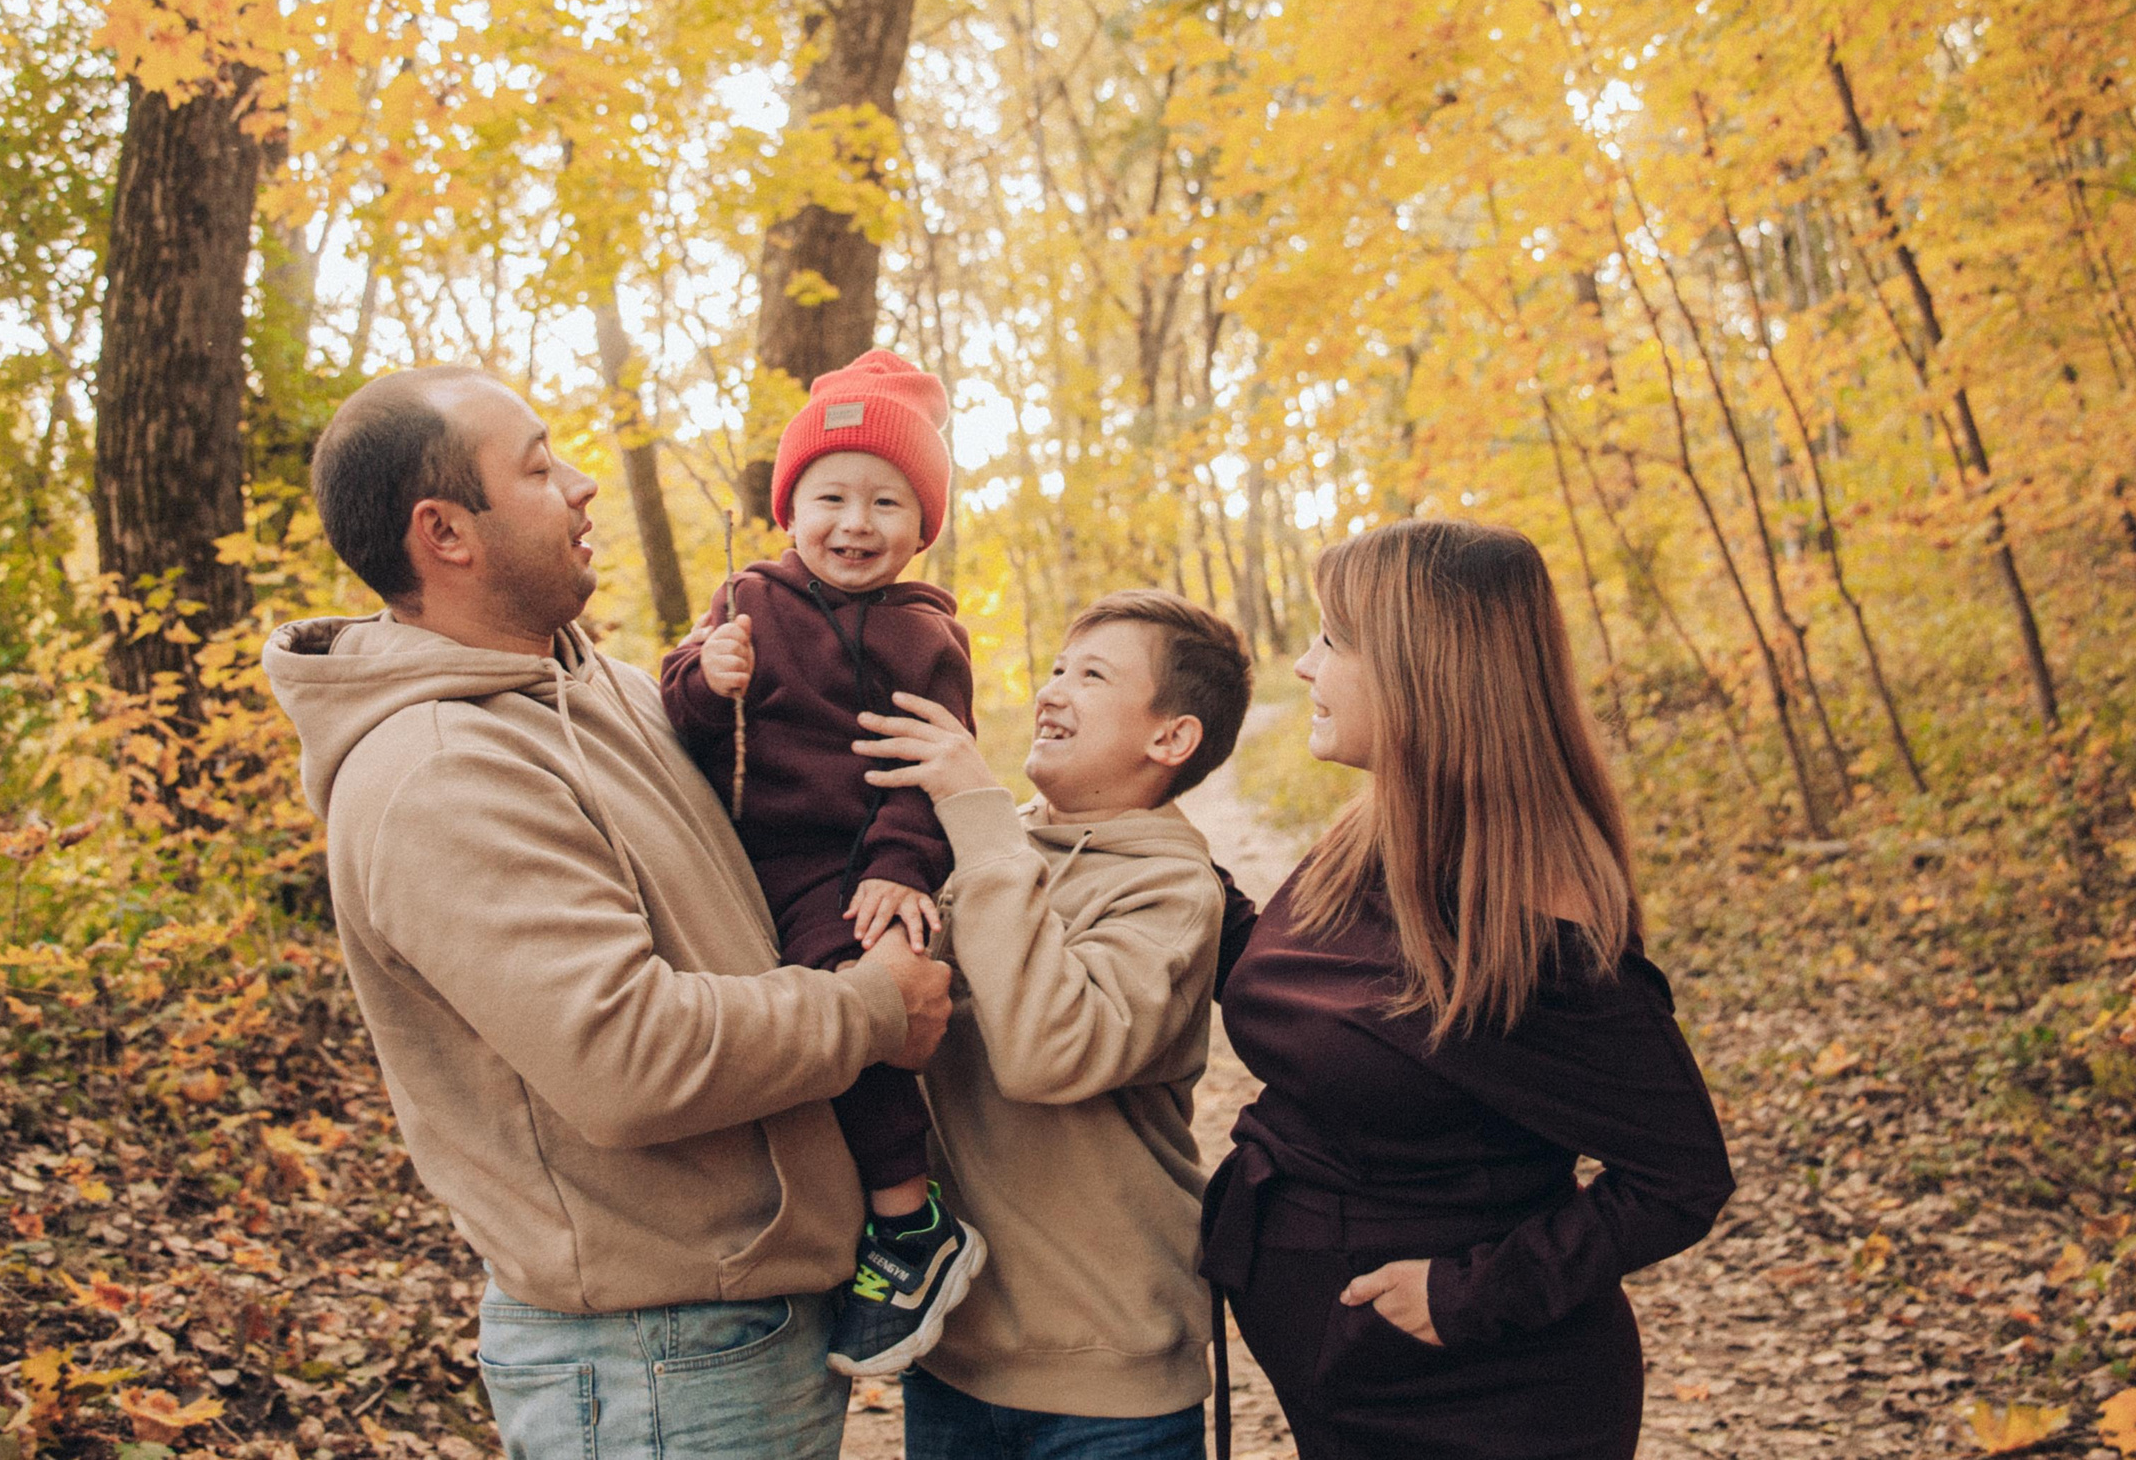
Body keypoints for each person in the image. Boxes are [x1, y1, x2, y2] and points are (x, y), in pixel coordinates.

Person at [263, 365, 954, 1460]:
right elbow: (625, 1057)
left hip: (742, 1317)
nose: (583, 486)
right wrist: (872, 1010)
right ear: (445, 533)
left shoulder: (612, 689)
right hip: (653, 1360)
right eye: (540, 467)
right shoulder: (440, 773)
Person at [1200, 519, 1735, 1460]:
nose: (1300, 665)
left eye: (1333, 640)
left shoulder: (1540, 936)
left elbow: (1680, 1178)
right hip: (1347, 1379)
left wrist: (1466, 1295)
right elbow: (1309, 995)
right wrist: (1141, 855)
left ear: (1421, 673)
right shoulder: (1375, 841)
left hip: (1480, 1405)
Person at [848, 589, 1255, 1460]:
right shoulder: (994, 848)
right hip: (953, 1357)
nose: (1052, 691)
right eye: (1059, 668)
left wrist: (981, 821)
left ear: (1171, 738)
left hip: (1110, 1382)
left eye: (1094, 676)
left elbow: (1048, 1052)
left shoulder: (1173, 891)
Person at [659, 346, 984, 1377]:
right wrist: (709, 677)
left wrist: (897, 868)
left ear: (921, 524)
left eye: (887, 503)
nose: (855, 523)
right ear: (788, 507)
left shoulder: (922, 635)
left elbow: (924, 775)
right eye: (831, 496)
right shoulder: (747, 599)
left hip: (852, 861)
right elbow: (674, 713)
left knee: (847, 996)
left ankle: (908, 1222)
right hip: (735, 855)